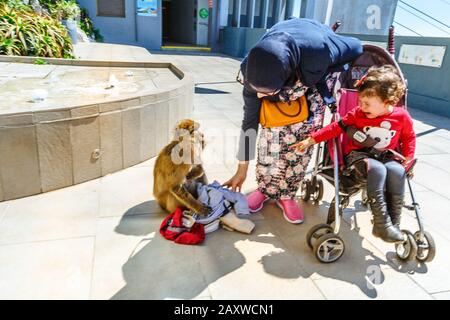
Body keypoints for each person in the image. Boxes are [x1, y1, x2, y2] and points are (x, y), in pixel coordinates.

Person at [223, 18, 363, 224]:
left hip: (314, 75)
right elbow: (249, 122)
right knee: (270, 138)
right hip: (287, 70)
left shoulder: (320, 50)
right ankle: (265, 189)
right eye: (257, 92)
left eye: (266, 92)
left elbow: (357, 46)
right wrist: (241, 168)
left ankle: (286, 195)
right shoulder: (252, 68)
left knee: (301, 141)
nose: (260, 97)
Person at [291, 65, 415, 242]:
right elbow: (336, 128)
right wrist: (311, 140)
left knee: (397, 172)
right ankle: (381, 224)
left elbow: (409, 138)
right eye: (359, 101)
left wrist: (408, 159)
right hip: (359, 156)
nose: (361, 106)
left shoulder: (401, 117)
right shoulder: (357, 114)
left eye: (367, 103)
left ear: (387, 102)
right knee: (378, 170)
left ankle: (392, 225)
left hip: (387, 156)